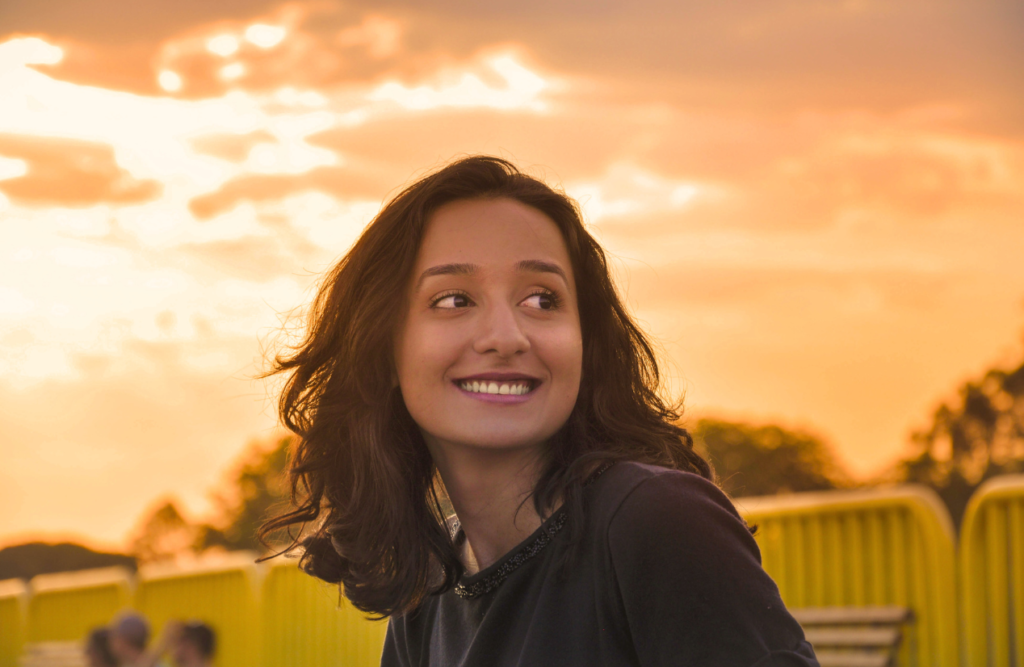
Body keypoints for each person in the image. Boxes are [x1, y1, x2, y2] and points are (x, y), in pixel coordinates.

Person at [261, 156, 819, 666]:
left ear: (586, 342)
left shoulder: (655, 520)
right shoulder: (429, 591)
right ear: (381, 349)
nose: (506, 336)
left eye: (542, 299)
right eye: (454, 300)